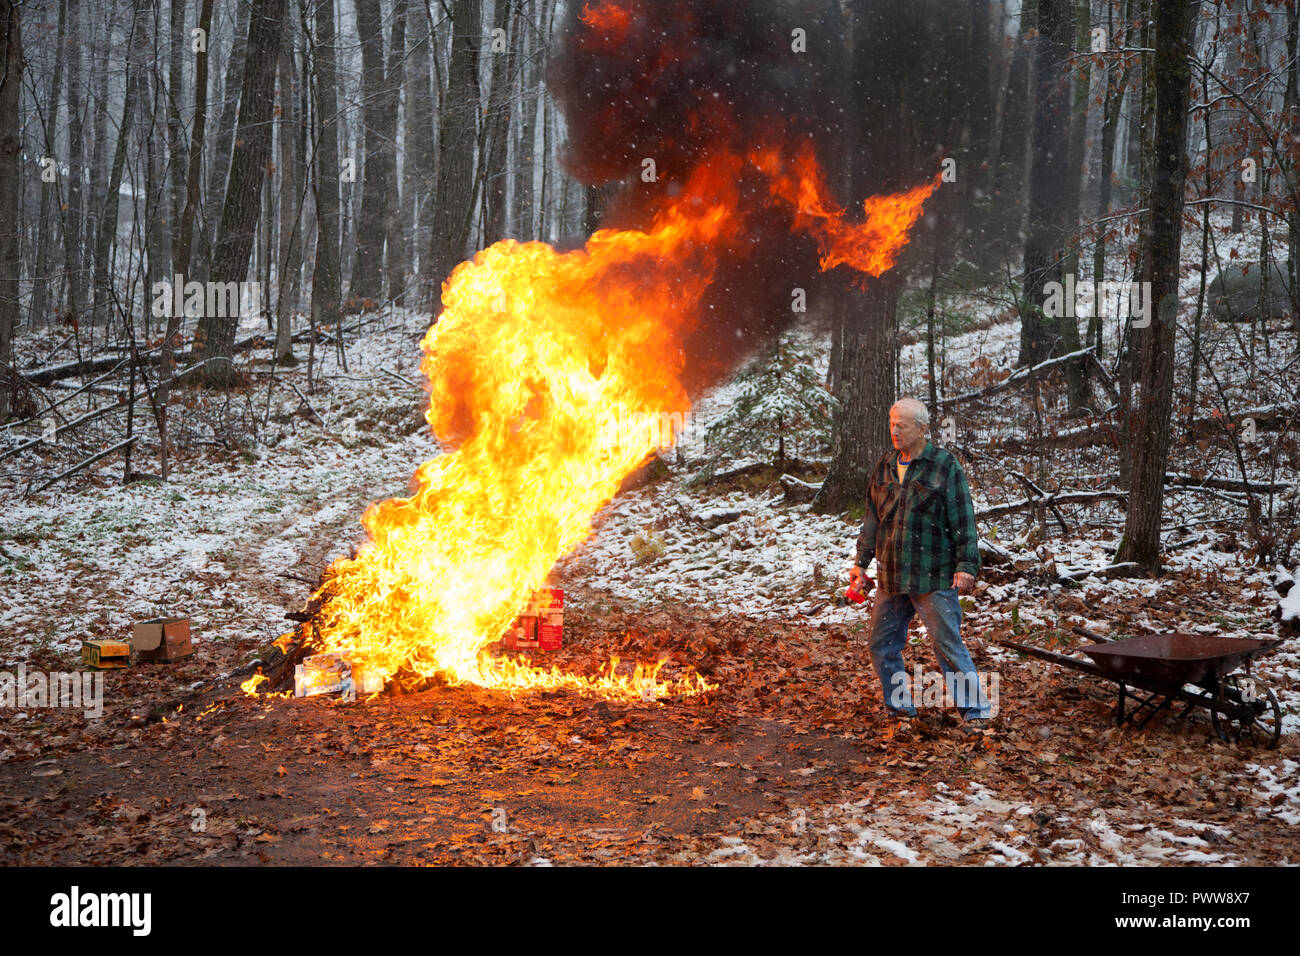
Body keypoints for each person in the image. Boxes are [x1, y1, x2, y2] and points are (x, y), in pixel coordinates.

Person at [850, 397, 992, 734]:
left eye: (903, 425)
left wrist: (966, 565)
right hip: (892, 574)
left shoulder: (944, 466)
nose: (895, 430)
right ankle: (901, 710)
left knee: (947, 645)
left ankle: (976, 713)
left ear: (923, 429)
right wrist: (861, 563)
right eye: (892, 423)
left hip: (933, 574)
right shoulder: (884, 466)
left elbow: (963, 519)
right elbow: (872, 520)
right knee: (882, 645)